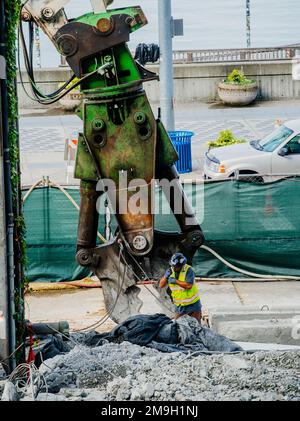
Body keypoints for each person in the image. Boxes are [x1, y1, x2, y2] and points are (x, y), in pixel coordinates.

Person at [159, 252, 202, 323]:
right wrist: (165, 277)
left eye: (176, 267)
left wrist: (176, 281)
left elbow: (189, 285)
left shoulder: (188, 270)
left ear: (181, 265)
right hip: (180, 306)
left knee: (197, 327)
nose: (174, 268)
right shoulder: (170, 271)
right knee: (178, 327)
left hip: (193, 305)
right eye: (173, 266)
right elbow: (161, 285)